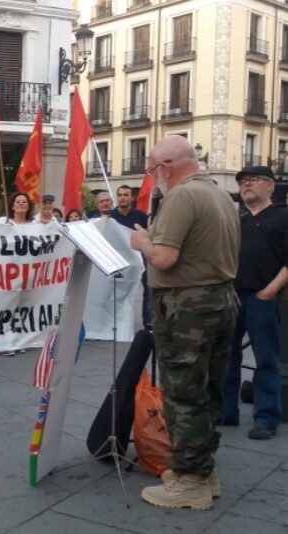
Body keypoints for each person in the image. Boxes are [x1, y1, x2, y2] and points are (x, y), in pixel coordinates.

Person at [129, 135, 239, 510]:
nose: (152, 176)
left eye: (152, 169)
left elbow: (163, 258)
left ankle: (189, 480)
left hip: (186, 306)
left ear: (165, 167)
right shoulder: (221, 194)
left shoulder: (180, 196)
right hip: (221, 298)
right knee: (209, 389)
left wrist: (143, 241)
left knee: (182, 394)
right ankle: (203, 471)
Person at [220, 166, 287, 440]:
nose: (246, 184)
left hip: (262, 298)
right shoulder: (239, 219)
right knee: (227, 357)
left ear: (270, 185)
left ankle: (267, 417)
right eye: (242, 181)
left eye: (253, 180)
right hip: (232, 297)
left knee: (266, 359)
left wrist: (270, 291)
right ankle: (226, 411)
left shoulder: (283, 215)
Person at [110, 184, 152, 328]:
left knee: (148, 288)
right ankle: (116, 324)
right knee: (117, 291)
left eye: (126, 195)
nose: (122, 198)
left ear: (131, 197)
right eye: (120, 195)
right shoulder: (110, 217)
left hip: (140, 258)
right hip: (119, 260)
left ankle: (149, 323)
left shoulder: (140, 216)